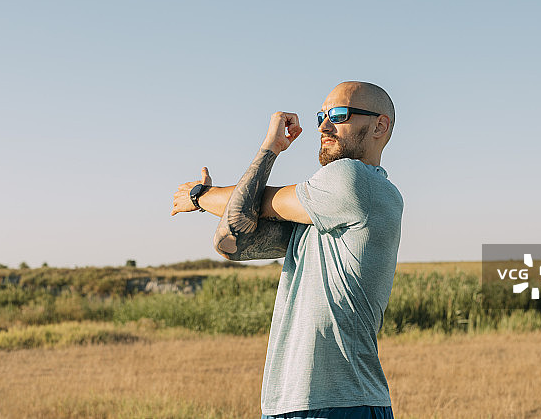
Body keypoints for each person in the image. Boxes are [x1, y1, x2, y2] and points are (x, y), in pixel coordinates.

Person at [172, 81, 403, 419]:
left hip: (339, 403)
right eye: (321, 115)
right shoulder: (319, 210)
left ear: (379, 126)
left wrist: (205, 193)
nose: (324, 126)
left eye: (339, 115)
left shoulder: (354, 180)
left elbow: (247, 207)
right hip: (292, 402)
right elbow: (230, 241)